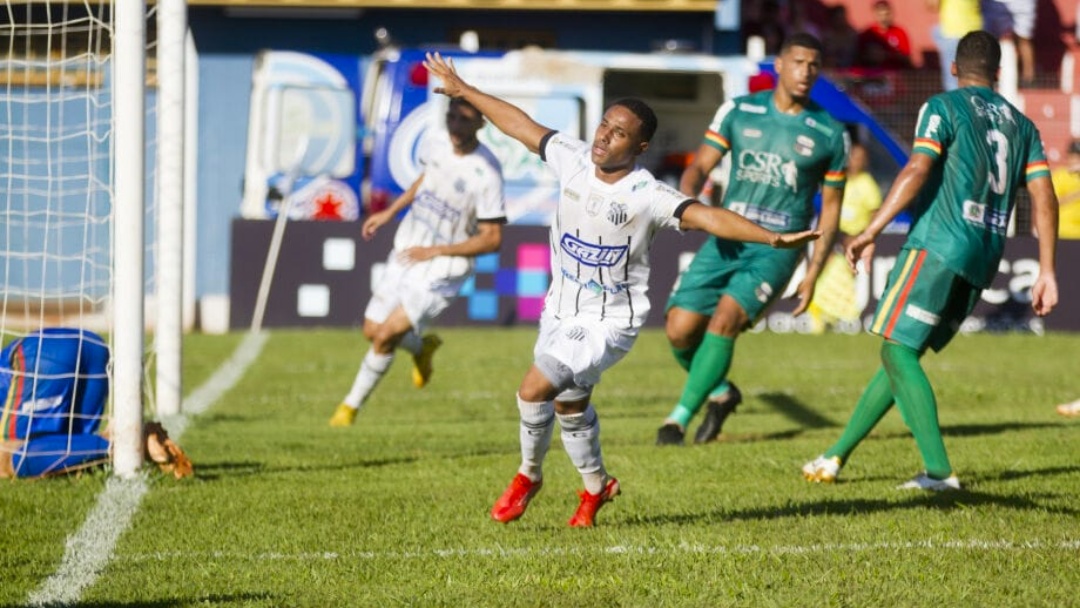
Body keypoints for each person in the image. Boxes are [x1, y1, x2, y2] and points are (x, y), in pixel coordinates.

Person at [421, 52, 820, 527]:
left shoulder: (647, 194)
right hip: (560, 310)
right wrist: (463, 89)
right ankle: (597, 488)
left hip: (608, 321)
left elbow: (708, 216)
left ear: (640, 146)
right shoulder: (570, 158)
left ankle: (528, 475)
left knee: (534, 389)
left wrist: (771, 237)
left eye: (618, 133)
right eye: (604, 125)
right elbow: (519, 124)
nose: (603, 137)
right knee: (570, 404)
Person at [802, 30, 1059, 491]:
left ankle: (939, 472)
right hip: (985, 253)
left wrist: (870, 231)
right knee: (905, 353)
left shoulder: (943, 107)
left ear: (955, 68)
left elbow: (917, 168)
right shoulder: (1023, 126)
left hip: (940, 241)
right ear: (998, 74)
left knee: (896, 349)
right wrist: (1047, 269)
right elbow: (1043, 194)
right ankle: (835, 456)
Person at [657, 32, 849, 446]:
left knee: (725, 319)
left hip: (780, 247)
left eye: (814, 65)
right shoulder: (740, 111)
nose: (806, 72)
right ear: (778, 65)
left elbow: (831, 210)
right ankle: (721, 393)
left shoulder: (830, 133)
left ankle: (676, 421)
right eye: (798, 62)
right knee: (678, 329)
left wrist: (814, 270)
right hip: (728, 235)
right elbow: (700, 165)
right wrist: (685, 202)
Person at [328, 97, 506, 427]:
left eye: (465, 119)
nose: (455, 125)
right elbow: (425, 179)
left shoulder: (488, 173)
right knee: (372, 330)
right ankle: (422, 348)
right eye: (452, 117)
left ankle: (348, 409)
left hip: (442, 270)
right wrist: (389, 212)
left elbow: (492, 239)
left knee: (385, 337)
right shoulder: (436, 143)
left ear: (481, 123)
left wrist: (437, 251)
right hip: (408, 249)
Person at [807, 141, 883, 333]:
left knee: (843, 278)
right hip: (833, 235)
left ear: (864, 161)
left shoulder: (867, 184)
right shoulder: (837, 179)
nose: (855, 161)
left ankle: (837, 318)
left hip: (853, 238)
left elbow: (875, 213)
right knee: (821, 274)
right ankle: (819, 318)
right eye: (852, 156)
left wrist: (864, 236)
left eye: (859, 158)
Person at [926, 0, 983, 91]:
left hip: (953, 32)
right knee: (976, 76)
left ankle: (956, 104)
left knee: (952, 79)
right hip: (976, 31)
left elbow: (932, 5)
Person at [983, 0, 1038, 87]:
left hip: (1022, 4)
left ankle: (1029, 82)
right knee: (990, 40)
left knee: (1023, 40)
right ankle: (988, 80)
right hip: (996, 3)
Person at [857, 0, 913, 70]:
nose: (883, 18)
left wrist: (886, 55)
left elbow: (907, 57)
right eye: (880, 15)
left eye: (887, 14)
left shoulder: (900, 32)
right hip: (873, 76)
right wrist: (871, 56)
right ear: (874, 14)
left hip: (896, 75)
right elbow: (858, 57)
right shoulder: (867, 34)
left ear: (892, 13)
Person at [1049, 140, 1080, 239]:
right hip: (1065, 231)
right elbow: (1052, 202)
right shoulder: (1060, 175)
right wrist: (1075, 195)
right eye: (1074, 157)